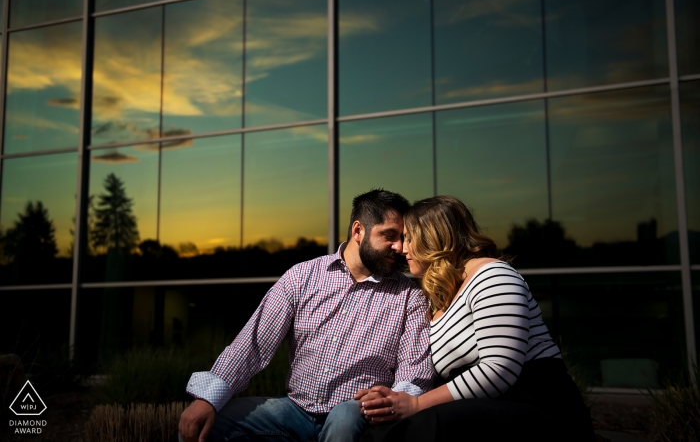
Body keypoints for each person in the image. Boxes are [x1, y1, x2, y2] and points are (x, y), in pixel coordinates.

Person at [179, 189, 435, 442]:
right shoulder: (302, 277)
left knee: (345, 417)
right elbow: (253, 343)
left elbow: (414, 371)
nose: (399, 247)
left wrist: (392, 402)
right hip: (294, 409)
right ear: (358, 231)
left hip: (356, 414)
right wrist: (208, 399)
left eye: (402, 238)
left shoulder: (409, 297)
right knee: (204, 426)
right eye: (389, 236)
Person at [355, 195, 595, 441]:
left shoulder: (493, 275)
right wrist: (389, 398)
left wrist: (417, 404)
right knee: (380, 429)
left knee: (413, 428)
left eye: (408, 238)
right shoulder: (438, 299)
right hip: (483, 406)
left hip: (538, 405)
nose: (402, 248)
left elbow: (499, 370)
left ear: (433, 237)